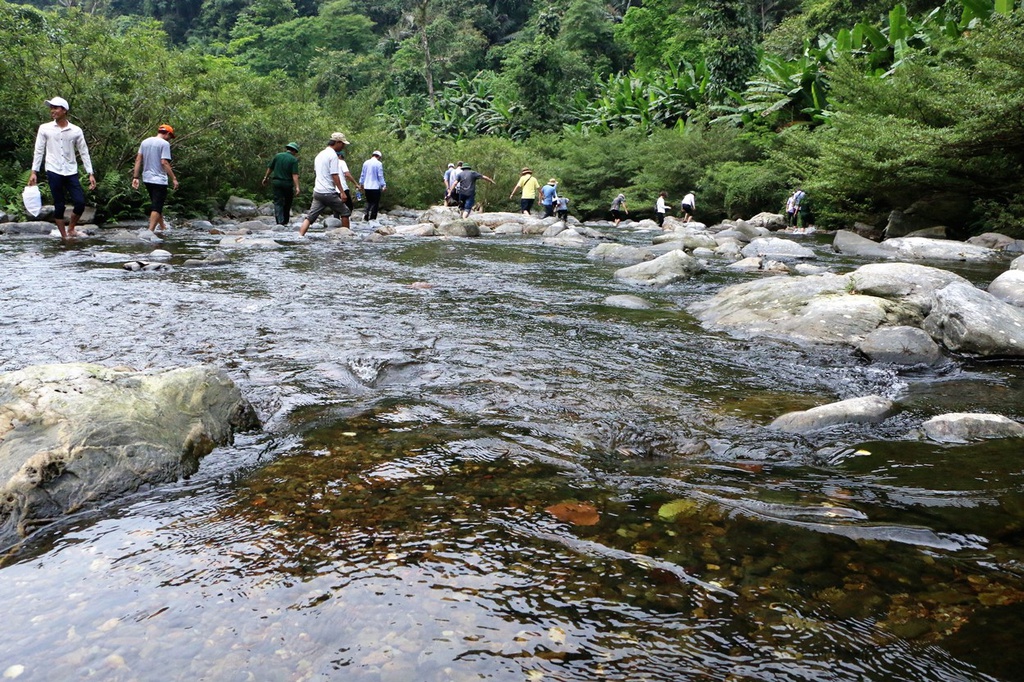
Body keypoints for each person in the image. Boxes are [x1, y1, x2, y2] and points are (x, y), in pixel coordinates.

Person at [28, 96, 96, 240]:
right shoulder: (44, 128)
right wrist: (34, 171)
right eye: (51, 108)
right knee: (59, 205)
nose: (52, 111)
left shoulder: (76, 130)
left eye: (55, 108)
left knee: (80, 203)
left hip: (71, 170)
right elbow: (39, 150)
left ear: (64, 110)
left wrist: (90, 173)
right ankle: (64, 237)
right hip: (53, 169)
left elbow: (84, 151)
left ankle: (71, 228)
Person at [297, 132, 350, 236]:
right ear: (337, 142)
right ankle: (346, 236)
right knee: (345, 212)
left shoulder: (320, 155)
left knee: (310, 217)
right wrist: (342, 192)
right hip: (328, 192)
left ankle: (300, 236)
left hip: (318, 191)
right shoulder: (333, 156)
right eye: (342, 144)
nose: (343, 146)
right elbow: (335, 175)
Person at [131, 124, 179, 233]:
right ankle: (150, 231)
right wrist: (174, 178)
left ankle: (162, 227)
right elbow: (164, 162)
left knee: (157, 203)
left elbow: (138, 159)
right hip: (159, 180)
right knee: (157, 206)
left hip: (147, 178)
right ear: (167, 134)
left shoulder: (145, 142)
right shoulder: (164, 144)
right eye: (170, 137)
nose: (170, 139)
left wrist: (135, 177)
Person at [262, 142, 301, 226]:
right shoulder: (293, 160)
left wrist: (265, 178)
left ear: (287, 149)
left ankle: (279, 222)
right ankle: (285, 221)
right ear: (294, 151)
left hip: (277, 183)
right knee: (287, 202)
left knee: (278, 202)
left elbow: (270, 168)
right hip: (287, 184)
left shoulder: (278, 156)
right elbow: (294, 175)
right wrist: (297, 187)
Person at [336, 141, 359, 229]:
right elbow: (347, 174)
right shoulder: (342, 162)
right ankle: (345, 227)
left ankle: (336, 224)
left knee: (336, 208)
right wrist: (355, 184)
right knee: (348, 208)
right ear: (340, 156)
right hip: (343, 189)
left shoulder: (330, 162)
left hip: (333, 189)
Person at [358, 150, 386, 221]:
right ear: (379, 157)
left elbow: (363, 175)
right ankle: (372, 218)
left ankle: (366, 216)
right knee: (375, 203)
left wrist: (361, 184)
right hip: (375, 186)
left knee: (368, 201)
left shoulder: (366, 163)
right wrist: (383, 185)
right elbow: (380, 176)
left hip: (367, 186)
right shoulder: (379, 164)